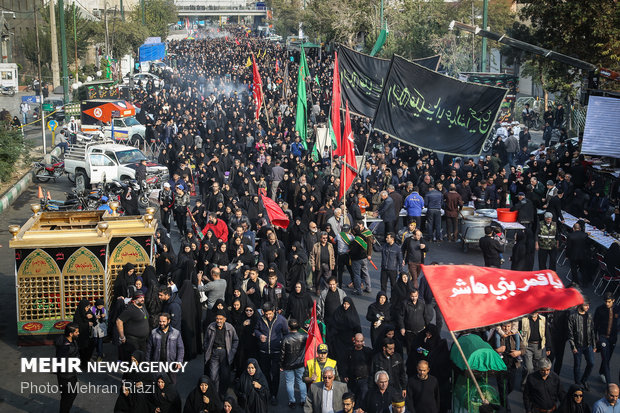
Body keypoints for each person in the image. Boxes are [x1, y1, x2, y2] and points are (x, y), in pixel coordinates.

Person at [254, 302, 289, 405]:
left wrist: (281, 343)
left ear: (273, 311)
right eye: (266, 314)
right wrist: (259, 335)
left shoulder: (282, 320)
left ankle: (274, 394)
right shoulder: (260, 319)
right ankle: (269, 390)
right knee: (265, 373)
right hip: (264, 351)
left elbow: (286, 334)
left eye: (270, 313)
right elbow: (256, 330)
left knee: (275, 374)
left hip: (276, 352)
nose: (268, 316)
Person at [203, 308, 238, 395]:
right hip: (214, 352)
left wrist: (232, 351)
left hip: (225, 353)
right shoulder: (211, 327)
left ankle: (223, 393)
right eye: (217, 319)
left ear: (225, 319)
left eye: (221, 319)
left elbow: (235, 340)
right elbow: (206, 339)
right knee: (213, 375)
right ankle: (215, 393)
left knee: (225, 376)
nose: (219, 321)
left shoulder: (230, 327)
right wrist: (207, 348)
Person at [146, 313, 184, 384]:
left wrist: (179, 361)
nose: (161, 323)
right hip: (158, 363)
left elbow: (180, 348)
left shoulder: (176, 333)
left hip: (171, 364)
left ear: (168, 321)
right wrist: (148, 362)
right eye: (160, 321)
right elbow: (149, 348)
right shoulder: (153, 332)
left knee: (172, 384)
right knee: (158, 384)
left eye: (164, 321)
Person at [492, 322, 522, 410]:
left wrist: (518, 352)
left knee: (511, 387)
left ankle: (500, 399)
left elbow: (523, 348)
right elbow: (488, 348)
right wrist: (497, 350)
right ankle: (506, 409)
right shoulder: (496, 335)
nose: (506, 328)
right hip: (500, 365)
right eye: (504, 326)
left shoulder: (514, 334)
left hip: (512, 364)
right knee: (502, 389)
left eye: (508, 326)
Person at [280, 318, 308, 409]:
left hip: (288, 365)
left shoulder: (285, 338)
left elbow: (282, 353)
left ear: (288, 327)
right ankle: (303, 400)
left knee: (289, 383)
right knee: (301, 381)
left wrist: (281, 365)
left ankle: (292, 401)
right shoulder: (304, 336)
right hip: (300, 363)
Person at [568, 300, 596, 390]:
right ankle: (577, 384)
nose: (588, 307)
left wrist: (594, 345)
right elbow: (570, 333)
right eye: (586, 305)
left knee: (591, 363)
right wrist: (573, 346)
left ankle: (584, 380)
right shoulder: (573, 316)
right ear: (581, 305)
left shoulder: (589, 316)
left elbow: (592, 331)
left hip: (588, 345)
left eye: (588, 305)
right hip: (578, 346)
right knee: (577, 365)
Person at [116, 290, 150, 361]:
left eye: (143, 297)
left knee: (142, 360)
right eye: (140, 298)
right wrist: (122, 337)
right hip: (133, 341)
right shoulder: (130, 309)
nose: (142, 299)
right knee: (133, 361)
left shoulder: (143, 306)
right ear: (134, 300)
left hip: (143, 341)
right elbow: (119, 321)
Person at [593, 292, 619, 385]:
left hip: (613, 338)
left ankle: (602, 372)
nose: (607, 304)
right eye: (605, 301)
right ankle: (609, 384)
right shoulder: (599, 309)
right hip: (603, 337)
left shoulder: (617, 309)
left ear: (613, 300)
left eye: (609, 302)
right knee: (605, 357)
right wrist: (595, 339)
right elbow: (595, 326)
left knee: (607, 358)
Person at [397, 289, 431, 356]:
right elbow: (400, 317)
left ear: (418, 295)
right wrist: (402, 327)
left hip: (420, 331)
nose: (414, 298)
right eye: (412, 296)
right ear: (410, 295)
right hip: (409, 332)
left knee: (421, 349)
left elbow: (425, 316)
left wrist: (428, 329)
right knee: (410, 349)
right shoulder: (405, 304)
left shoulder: (422, 303)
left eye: (415, 296)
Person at [55, 323, 80, 413]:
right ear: (70, 334)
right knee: (69, 396)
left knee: (68, 395)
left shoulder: (68, 340)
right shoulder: (66, 347)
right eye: (76, 332)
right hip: (67, 376)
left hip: (69, 374)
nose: (78, 333)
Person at [329, 297, 362, 364]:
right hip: (339, 340)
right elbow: (333, 324)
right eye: (344, 304)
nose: (345, 306)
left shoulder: (353, 314)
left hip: (349, 340)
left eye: (347, 304)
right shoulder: (338, 312)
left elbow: (357, 327)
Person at [521, 312, 550, 387]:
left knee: (537, 366)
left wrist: (548, 347)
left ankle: (535, 383)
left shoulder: (543, 319)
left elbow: (547, 333)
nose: (534, 312)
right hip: (527, 345)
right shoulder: (524, 319)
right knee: (529, 368)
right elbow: (519, 332)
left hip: (539, 346)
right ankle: (525, 384)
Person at [343, 333, 373, 404]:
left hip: (364, 380)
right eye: (358, 341)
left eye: (361, 341)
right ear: (354, 341)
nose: (359, 343)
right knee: (352, 399)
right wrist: (345, 375)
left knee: (363, 399)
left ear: (363, 341)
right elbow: (344, 363)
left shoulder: (368, 351)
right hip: (352, 380)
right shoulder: (349, 351)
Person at [73, 298, 94, 368]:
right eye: (87, 307)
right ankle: (84, 364)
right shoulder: (77, 315)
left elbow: (94, 320)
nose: (88, 308)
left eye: (89, 307)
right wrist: (87, 324)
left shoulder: (88, 312)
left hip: (89, 335)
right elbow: (77, 324)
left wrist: (92, 316)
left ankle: (86, 361)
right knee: (82, 349)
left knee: (90, 347)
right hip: (81, 335)